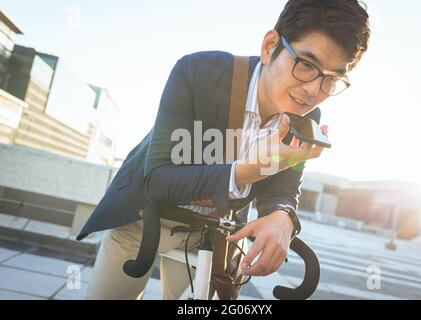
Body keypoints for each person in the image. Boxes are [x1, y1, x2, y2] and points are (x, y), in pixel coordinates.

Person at [77, 0, 371, 299]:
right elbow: (158, 179)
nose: (313, 91)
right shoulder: (199, 72)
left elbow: (283, 187)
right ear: (270, 46)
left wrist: (283, 216)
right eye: (306, 65)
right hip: (142, 219)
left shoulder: (308, 118)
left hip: (210, 233)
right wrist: (248, 170)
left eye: (331, 79)